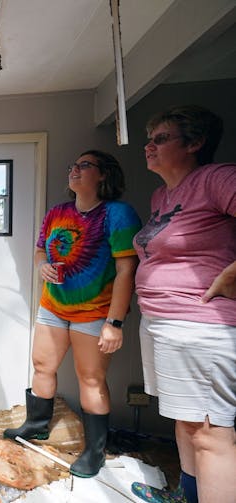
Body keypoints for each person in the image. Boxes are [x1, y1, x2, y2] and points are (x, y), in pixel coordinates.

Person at [4, 150, 142, 478]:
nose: (74, 170)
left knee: (91, 379)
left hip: (94, 313)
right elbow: (40, 249)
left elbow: (127, 270)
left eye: (84, 166)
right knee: (42, 365)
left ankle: (94, 452)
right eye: (72, 165)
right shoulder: (57, 213)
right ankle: (37, 425)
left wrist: (115, 322)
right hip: (53, 306)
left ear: (104, 175)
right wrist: (42, 266)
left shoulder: (118, 214)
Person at [130, 105, 236, 503]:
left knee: (211, 435)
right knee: (187, 423)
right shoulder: (163, 195)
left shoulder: (216, 178)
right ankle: (185, 496)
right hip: (163, 322)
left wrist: (233, 274)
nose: (149, 147)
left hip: (200, 325)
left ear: (194, 143)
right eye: (149, 140)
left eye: (161, 139)